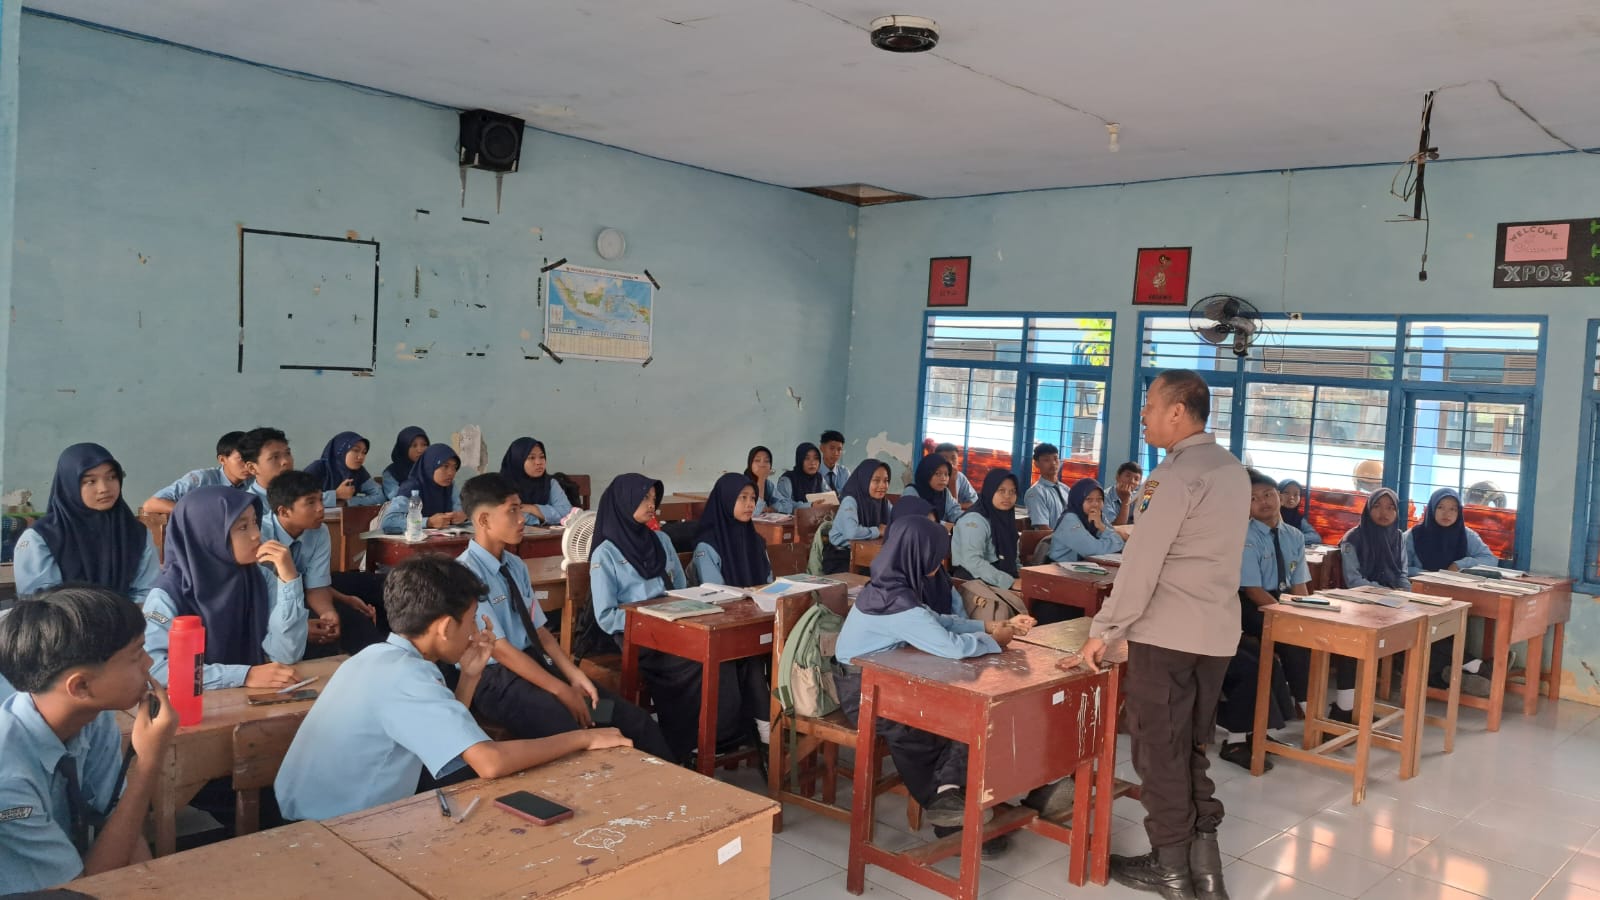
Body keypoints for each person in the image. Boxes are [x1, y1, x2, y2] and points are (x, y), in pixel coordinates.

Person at [1065, 369, 1248, 900]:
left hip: (1167, 635)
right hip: (1214, 635)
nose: (1142, 414)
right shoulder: (1232, 469)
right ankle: (1205, 874)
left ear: (1177, 411)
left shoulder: (1175, 475)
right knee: (1190, 747)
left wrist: (1104, 630)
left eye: (1149, 404)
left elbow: (1143, 560)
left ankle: (1171, 870)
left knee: (1155, 752)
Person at [274, 556, 632, 822]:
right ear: (444, 627)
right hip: (332, 831)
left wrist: (469, 677)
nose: (476, 629)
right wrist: (582, 739)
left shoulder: (376, 658)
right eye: (472, 618)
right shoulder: (407, 677)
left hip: (309, 817)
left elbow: (448, 742)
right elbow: (489, 762)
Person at [835, 515, 1052, 859]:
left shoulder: (893, 585)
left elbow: (938, 621)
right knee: (921, 727)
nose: (940, 564)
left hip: (891, 678)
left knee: (952, 717)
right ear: (916, 555)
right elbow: (949, 645)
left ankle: (955, 795)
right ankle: (948, 810)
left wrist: (994, 623)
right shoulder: (895, 601)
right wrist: (995, 640)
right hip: (863, 689)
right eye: (935, 557)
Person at [452, 475, 673, 760]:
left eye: (521, 509)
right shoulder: (466, 574)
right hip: (497, 681)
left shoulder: (515, 566)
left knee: (631, 721)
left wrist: (573, 675)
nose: (522, 519)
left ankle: (681, 797)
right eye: (513, 510)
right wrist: (560, 689)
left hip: (537, 667)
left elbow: (541, 632)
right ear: (483, 520)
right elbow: (501, 650)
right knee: (572, 726)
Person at [0, 586, 179, 893]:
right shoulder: (8, 777)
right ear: (80, 686)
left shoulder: (92, 719)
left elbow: (122, 821)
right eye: (136, 655)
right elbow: (80, 890)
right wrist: (148, 764)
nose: (149, 664)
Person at [142, 487, 307, 691]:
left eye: (255, 522)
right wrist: (243, 675)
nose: (257, 535)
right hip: (192, 710)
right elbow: (153, 669)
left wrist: (289, 580)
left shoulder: (259, 577)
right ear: (208, 534)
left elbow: (286, 654)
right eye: (242, 527)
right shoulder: (168, 595)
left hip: (250, 700)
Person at [1217, 470, 1313, 770]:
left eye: (1268, 495)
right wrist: (1289, 618)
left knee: (1309, 638)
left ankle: (1301, 720)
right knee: (1285, 644)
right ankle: (1307, 715)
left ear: (1280, 498)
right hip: (1248, 605)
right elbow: (1253, 589)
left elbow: (1299, 585)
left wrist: (1309, 612)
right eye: (1253, 499)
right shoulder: (1243, 537)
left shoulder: (1294, 535)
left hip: (1283, 600)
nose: (1263, 503)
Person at [15, 443, 159, 605]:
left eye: (111, 477)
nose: (104, 488)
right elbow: (41, 605)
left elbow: (147, 594)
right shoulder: (41, 538)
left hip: (128, 626)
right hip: (63, 627)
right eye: (90, 481)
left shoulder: (135, 533)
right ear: (69, 485)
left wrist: (128, 624)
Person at [263, 471, 381, 656]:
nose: (320, 508)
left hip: (300, 597)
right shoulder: (262, 536)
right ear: (284, 511)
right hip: (268, 606)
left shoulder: (319, 531)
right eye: (310, 502)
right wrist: (297, 627)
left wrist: (328, 612)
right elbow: (261, 598)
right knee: (312, 637)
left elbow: (316, 587)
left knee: (341, 622)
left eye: (320, 500)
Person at [1404, 488, 1497, 697]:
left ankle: (1447, 674)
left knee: (1445, 626)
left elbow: (1491, 560)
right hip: (1420, 597)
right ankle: (1472, 665)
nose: (1447, 514)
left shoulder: (1465, 535)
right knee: (1429, 626)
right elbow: (1400, 567)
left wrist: (1460, 563)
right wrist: (1430, 574)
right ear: (1431, 509)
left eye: (1453, 509)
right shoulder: (1413, 536)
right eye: (1441, 508)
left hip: (1454, 598)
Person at [142, 430, 252, 515]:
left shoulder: (256, 481)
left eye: (251, 458)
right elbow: (151, 504)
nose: (248, 464)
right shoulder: (201, 479)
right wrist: (195, 514)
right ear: (222, 460)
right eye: (241, 459)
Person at [951, 469, 1023, 596]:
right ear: (990, 491)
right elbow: (972, 562)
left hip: (1000, 578)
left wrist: (1024, 576)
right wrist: (1010, 582)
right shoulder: (975, 520)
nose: (1007, 496)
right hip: (974, 581)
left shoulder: (1005, 519)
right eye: (1001, 490)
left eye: (1013, 492)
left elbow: (1013, 559)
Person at [823, 461, 894, 575]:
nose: (883, 486)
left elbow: (897, 520)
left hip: (868, 553)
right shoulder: (850, 501)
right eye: (876, 480)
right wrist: (878, 531)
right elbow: (851, 533)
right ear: (864, 480)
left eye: (886, 481)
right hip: (841, 557)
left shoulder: (883, 503)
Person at [380, 444, 465, 534]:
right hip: (411, 543)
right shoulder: (411, 487)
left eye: (454, 467)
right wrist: (428, 522)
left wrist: (463, 516)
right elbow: (389, 522)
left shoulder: (450, 486)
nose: (451, 473)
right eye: (445, 466)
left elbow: (459, 510)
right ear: (430, 466)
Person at [499, 437, 575, 526]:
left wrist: (533, 509)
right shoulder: (503, 485)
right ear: (517, 460)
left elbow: (567, 514)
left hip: (547, 537)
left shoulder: (550, 483)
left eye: (542, 457)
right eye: (531, 458)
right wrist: (544, 517)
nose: (539, 462)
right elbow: (508, 516)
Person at [303, 431, 385, 508]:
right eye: (356, 450)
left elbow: (380, 496)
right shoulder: (318, 467)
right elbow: (298, 498)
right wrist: (336, 495)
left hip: (343, 519)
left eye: (364, 452)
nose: (361, 457)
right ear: (341, 450)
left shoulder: (359, 472)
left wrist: (349, 502)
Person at [237, 427, 296, 507]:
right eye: (275, 457)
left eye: (287, 453)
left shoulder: (308, 492)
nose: (285, 461)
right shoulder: (247, 506)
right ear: (252, 468)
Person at [1024, 443, 1071, 529]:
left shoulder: (1066, 490)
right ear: (1036, 464)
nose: (1053, 463)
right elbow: (1043, 528)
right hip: (1052, 541)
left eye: (1055, 459)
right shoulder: (1035, 493)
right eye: (1046, 460)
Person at [906, 454, 962, 523]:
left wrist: (966, 520)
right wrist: (943, 525)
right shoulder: (911, 491)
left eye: (946, 474)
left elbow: (955, 511)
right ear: (926, 474)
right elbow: (914, 520)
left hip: (939, 532)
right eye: (937, 474)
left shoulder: (945, 493)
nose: (943, 478)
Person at [772, 443, 826, 514]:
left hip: (816, 519)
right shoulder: (787, 478)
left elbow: (826, 496)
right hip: (792, 522)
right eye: (807, 458)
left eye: (816, 458)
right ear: (800, 460)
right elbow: (784, 505)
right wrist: (810, 505)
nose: (812, 463)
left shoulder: (819, 478)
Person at [381, 426, 430, 500]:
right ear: (404, 448)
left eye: (424, 445)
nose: (420, 450)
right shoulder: (391, 473)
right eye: (414, 446)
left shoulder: (434, 468)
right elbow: (396, 498)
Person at [1277, 479, 1322, 543]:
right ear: (1277, 494)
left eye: (1296, 494)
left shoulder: (1298, 519)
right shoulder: (1269, 514)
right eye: (1286, 493)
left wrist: (1292, 538)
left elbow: (1316, 538)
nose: (1291, 497)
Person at [1102, 461, 1143, 527]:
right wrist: (1126, 499)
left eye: (1136, 479)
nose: (1132, 481)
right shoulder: (1104, 497)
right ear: (1117, 477)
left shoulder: (1138, 497)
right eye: (1128, 476)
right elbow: (1117, 528)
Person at [744, 446, 778, 516]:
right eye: (757, 460)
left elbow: (786, 504)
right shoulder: (743, 484)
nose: (762, 465)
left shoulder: (768, 484)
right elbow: (754, 512)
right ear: (750, 464)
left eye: (767, 461)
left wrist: (773, 508)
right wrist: (761, 479)